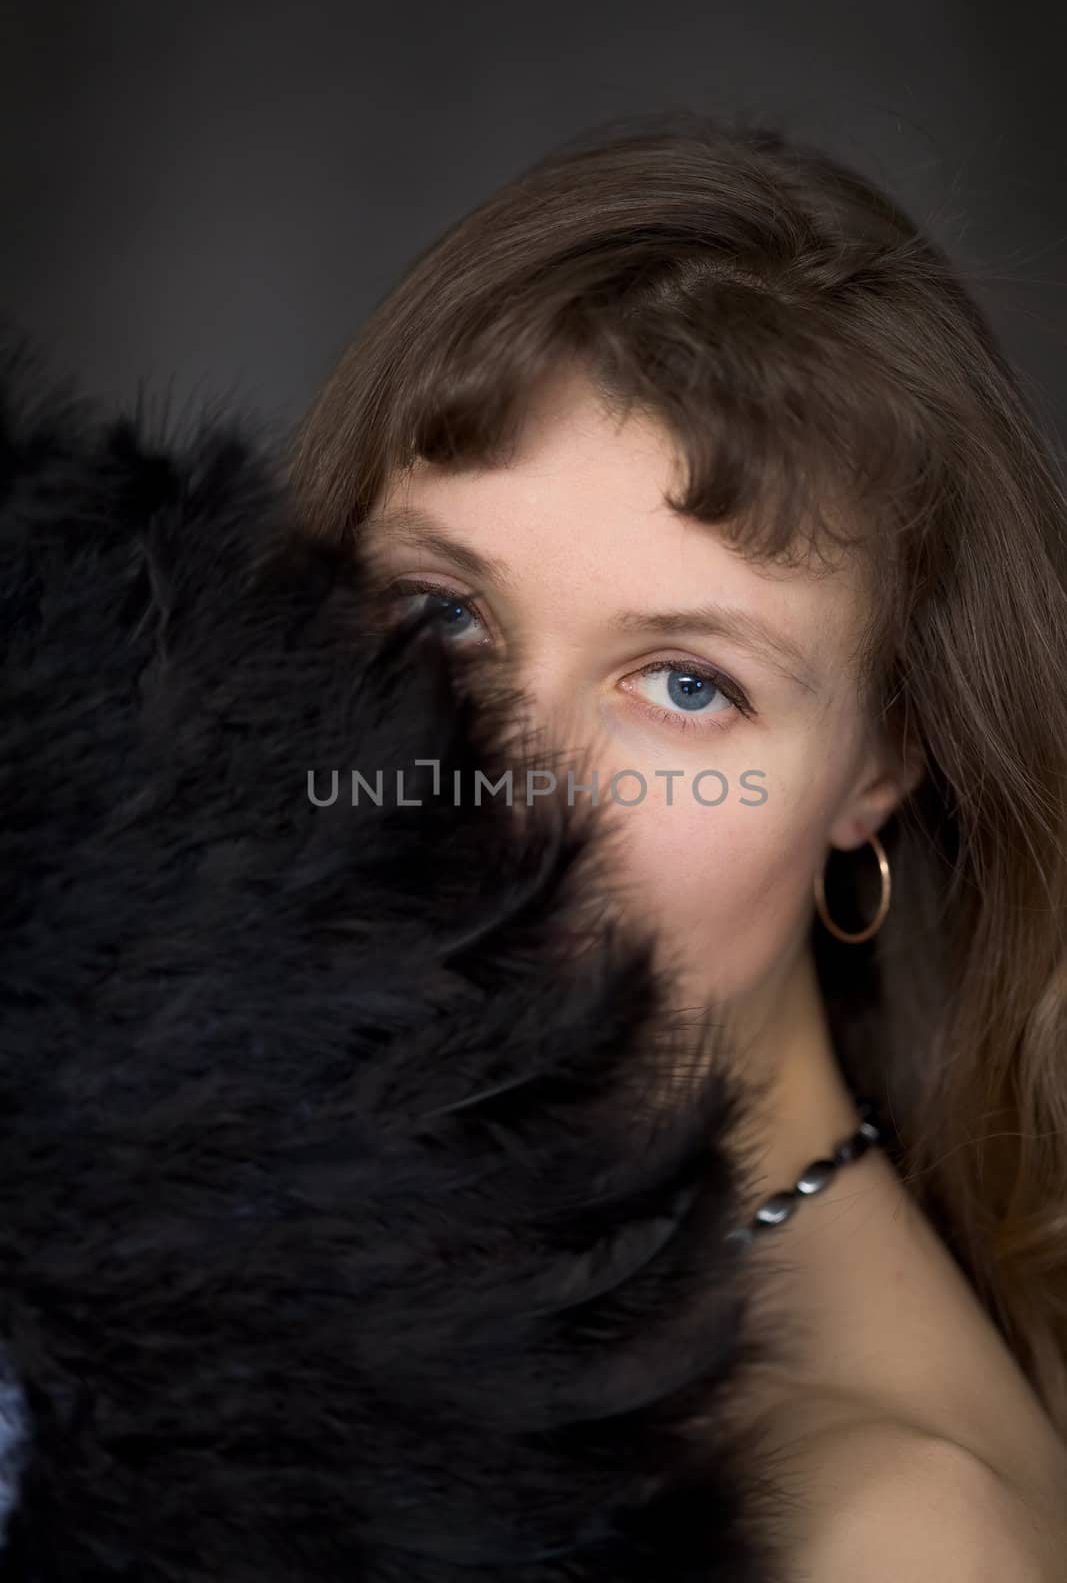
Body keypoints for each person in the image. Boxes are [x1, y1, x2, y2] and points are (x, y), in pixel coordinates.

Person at [287, 110, 1067, 1573]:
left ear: (879, 770)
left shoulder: (893, 1536)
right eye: (443, 615)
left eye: (687, 686)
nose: (503, 787)